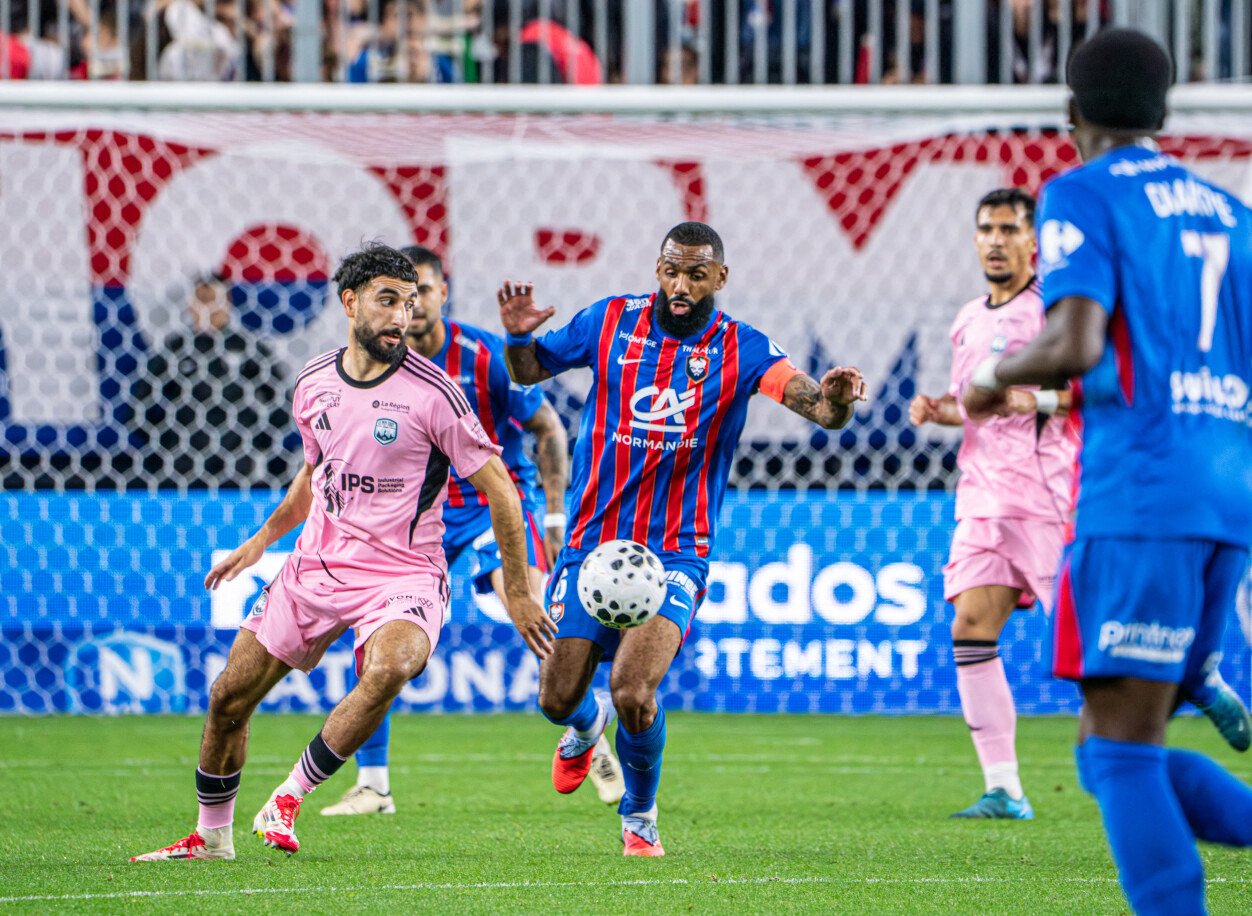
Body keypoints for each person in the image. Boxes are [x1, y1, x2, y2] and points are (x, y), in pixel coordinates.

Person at [964, 29, 1252, 914]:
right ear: (1165, 112)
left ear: (1072, 114)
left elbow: (1074, 340)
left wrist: (991, 380)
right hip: (1226, 501)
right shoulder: (1234, 214)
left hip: (1141, 495)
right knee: (1109, 749)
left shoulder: (1079, 193)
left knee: (1117, 753)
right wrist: (1210, 400)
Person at [131, 243, 557, 862]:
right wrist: (258, 544)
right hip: (316, 566)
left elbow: (502, 493)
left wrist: (518, 593)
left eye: (410, 304)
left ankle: (289, 796)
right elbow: (314, 477)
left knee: (391, 666)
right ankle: (210, 837)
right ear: (349, 302)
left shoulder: (435, 393)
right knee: (229, 698)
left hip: (404, 573)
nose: (401, 318)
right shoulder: (311, 384)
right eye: (388, 301)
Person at [499, 221, 867, 856]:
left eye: (696, 274)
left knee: (635, 694)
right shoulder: (609, 319)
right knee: (557, 699)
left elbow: (820, 411)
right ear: (658, 266)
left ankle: (639, 816)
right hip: (595, 544)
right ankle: (584, 730)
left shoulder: (744, 348)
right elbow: (528, 371)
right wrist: (516, 335)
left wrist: (838, 402)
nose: (680, 284)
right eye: (671, 269)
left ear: (719, 278)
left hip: (676, 553)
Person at [320, 245, 624, 816]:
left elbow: (548, 429)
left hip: (497, 500)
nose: (416, 304)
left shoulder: (482, 354)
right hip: (419, 514)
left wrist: (554, 517)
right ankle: (374, 787)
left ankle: (587, 725)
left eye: (425, 291)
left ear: (439, 294)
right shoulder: (379, 359)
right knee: (376, 637)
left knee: (530, 612)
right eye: (404, 295)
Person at [910, 187, 1077, 820]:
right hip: (981, 496)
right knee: (971, 630)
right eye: (987, 228)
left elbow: (1099, 391)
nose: (997, 240)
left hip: (1044, 495)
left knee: (1086, 641)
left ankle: (1179, 699)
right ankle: (1004, 786)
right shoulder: (967, 319)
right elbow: (973, 408)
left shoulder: (1058, 311)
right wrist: (938, 411)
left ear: (1033, 240)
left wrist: (1034, 401)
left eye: (1010, 229)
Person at [132, 272, 295, 489]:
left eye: (215, 299)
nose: (208, 308)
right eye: (202, 299)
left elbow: (281, 403)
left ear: (227, 303)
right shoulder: (176, 350)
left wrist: (257, 442)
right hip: (182, 469)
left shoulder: (247, 348)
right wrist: (167, 443)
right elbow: (141, 406)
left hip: (236, 468)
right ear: (190, 305)